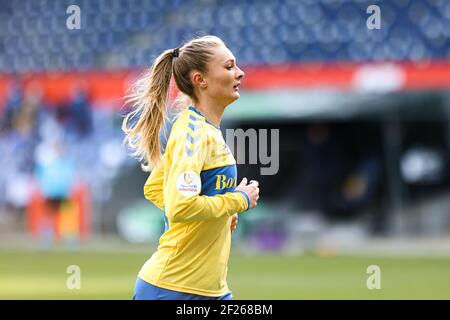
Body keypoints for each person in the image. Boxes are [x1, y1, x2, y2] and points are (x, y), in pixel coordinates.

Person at [122, 35, 259, 300]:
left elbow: (155, 189)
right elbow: (181, 207)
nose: (240, 73)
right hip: (172, 289)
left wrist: (215, 216)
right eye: (229, 66)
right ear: (200, 80)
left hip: (209, 290)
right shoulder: (192, 133)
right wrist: (236, 201)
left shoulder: (207, 130)